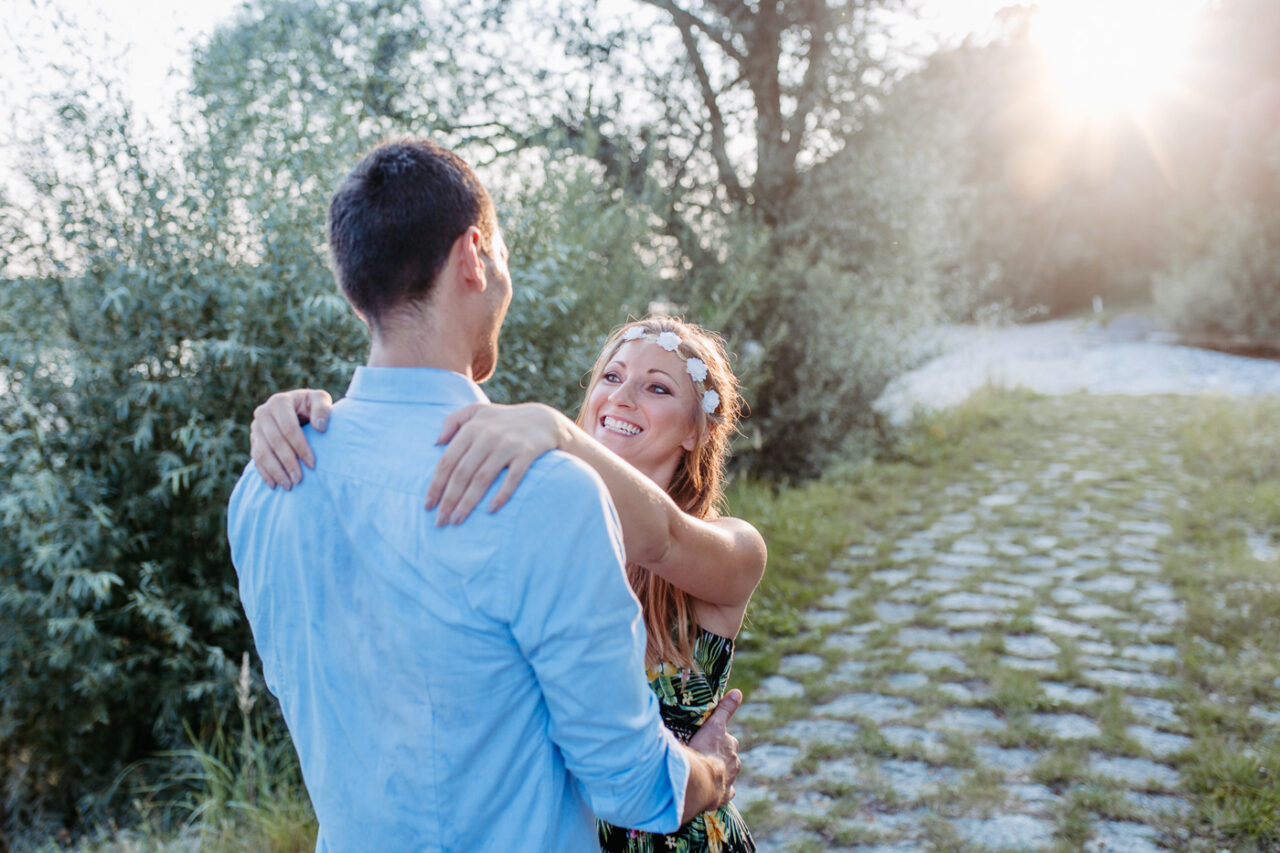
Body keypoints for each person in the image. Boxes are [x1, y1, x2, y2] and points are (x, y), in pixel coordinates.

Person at [227, 139, 743, 853]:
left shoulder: (266, 482)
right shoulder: (546, 494)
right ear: (474, 255)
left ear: (355, 284)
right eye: (500, 255)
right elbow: (631, 786)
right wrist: (713, 769)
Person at [251, 314, 767, 852]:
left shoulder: (735, 548)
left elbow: (664, 538)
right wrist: (310, 420)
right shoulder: (537, 526)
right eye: (611, 377)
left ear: (696, 431)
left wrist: (555, 431)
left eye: (657, 387)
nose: (623, 397)